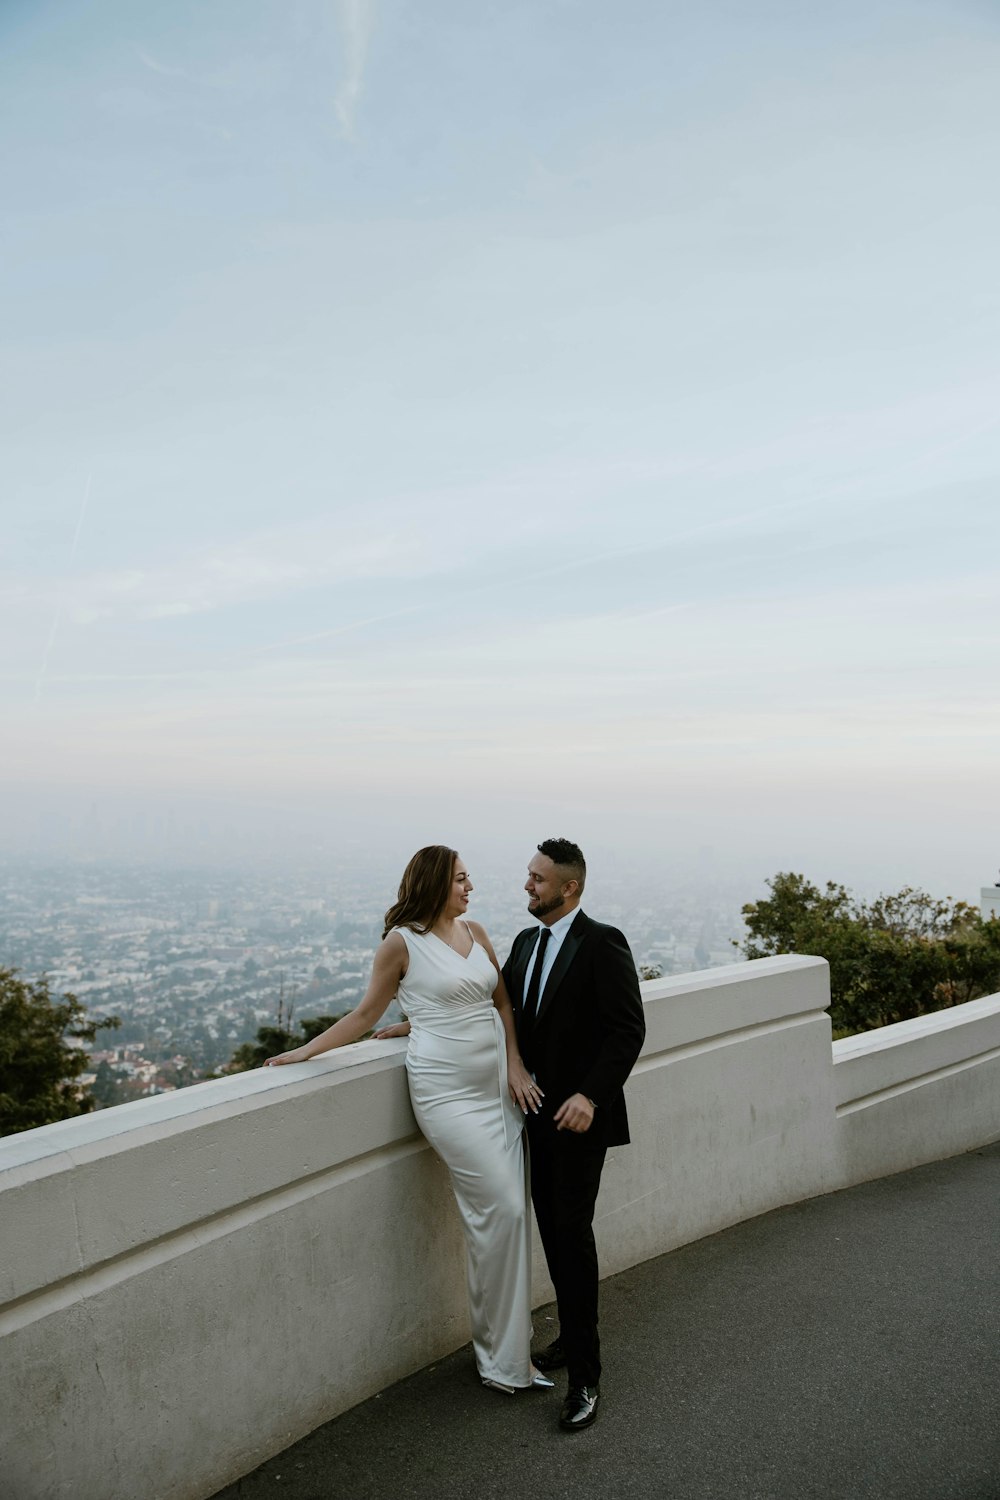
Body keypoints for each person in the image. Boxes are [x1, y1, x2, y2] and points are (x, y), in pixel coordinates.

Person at [265, 845, 553, 1394]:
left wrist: (515, 1066)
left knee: (512, 1219)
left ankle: (508, 1359)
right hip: (447, 1097)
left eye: (469, 879)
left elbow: (501, 1005)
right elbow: (366, 1013)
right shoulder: (400, 943)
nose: (471, 888)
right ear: (434, 883)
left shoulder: (479, 933)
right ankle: (499, 1359)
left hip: (496, 1092)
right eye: (462, 880)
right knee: (505, 1209)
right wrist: (305, 1052)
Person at [502, 838, 646, 1432]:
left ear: (571, 888)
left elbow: (627, 1030)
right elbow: (502, 1006)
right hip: (534, 1117)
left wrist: (591, 1095)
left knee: (571, 1233)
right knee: (553, 1234)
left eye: (538, 879)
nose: (528, 886)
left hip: (581, 1119)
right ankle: (568, 1338)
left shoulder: (602, 942)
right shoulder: (524, 942)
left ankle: (585, 1375)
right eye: (529, 876)